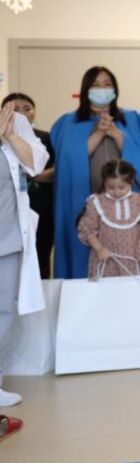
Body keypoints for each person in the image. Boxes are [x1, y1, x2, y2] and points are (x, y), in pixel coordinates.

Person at [51, 67, 140, 279]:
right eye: (95, 84)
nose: (102, 88)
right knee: (88, 258)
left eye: (107, 84)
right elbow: (69, 161)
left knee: (122, 258)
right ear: (86, 89)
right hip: (87, 203)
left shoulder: (130, 118)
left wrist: (115, 133)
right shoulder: (69, 122)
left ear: (115, 89)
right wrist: (99, 133)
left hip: (123, 203)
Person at [0, 101, 49, 412]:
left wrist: (9, 135)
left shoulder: (15, 121)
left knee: (3, 311)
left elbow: (36, 164)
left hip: (7, 234)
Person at [2, 93, 55, 279]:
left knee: (37, 260)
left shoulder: (42, 137)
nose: (20, 114)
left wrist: (35, 175)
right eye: (14, 109)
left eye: (27, 108)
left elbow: (40, 165)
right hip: (7, 211)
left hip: (37, 205)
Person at [77, 160, 140, 280]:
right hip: (105, 257)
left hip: (132, 257)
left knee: (132, 288)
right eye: (111, 188)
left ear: (131, 182)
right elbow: (88, 231)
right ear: (104, 182)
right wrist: (99, 249)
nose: (117, 192)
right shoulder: (96, 202)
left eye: (121, 187)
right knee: (106, 289)